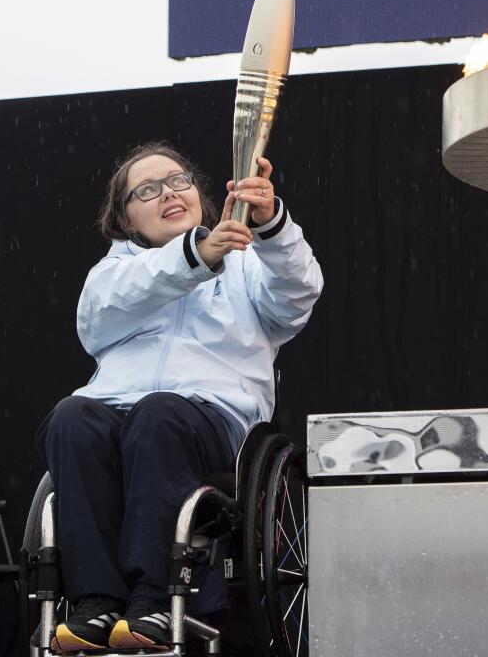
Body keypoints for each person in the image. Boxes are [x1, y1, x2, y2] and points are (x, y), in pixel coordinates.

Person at [36, 142, 323, 653]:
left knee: (159, 414)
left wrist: (271, 223)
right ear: (125, 219)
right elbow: (105, 310)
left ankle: (155, 598)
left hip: (210, 423)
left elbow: (298, 294)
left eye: (178, 180)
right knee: (71, 417)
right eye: (146, 190)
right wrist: (196, 255)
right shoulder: (113, 274)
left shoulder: (248, 263)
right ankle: (94, 602)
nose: (168, 192)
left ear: (198, 193)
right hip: (118, 416)